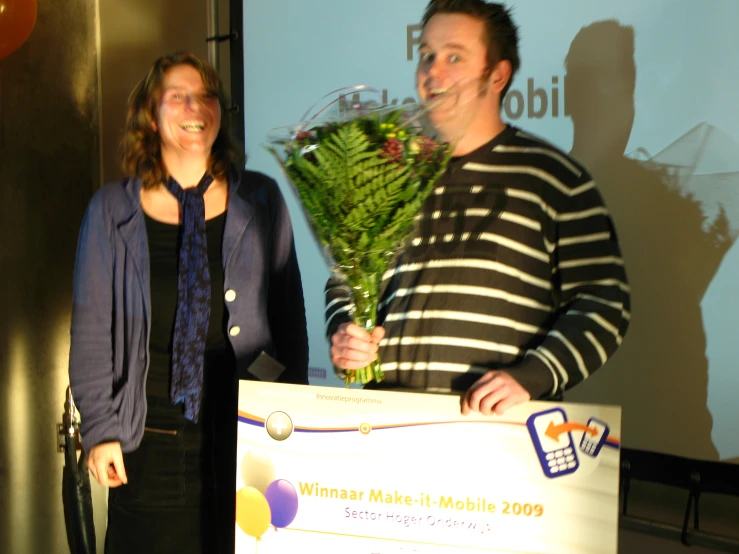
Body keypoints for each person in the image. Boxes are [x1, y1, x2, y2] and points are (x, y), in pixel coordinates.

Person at [326, 0, 630, 416]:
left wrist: (535, 375)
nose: (433, 71)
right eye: (427, 55)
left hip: (496, 434)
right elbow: (345, 282)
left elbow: (604, 302)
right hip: (384, 425)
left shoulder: (555, 179)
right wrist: (345, 333)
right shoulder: (390, 174)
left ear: (498, 74)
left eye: (454, 56)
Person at [68, 51, 308, 553]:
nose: (194, 106)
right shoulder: (111, 210)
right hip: (148, 440)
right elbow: (91, 332)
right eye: (177, 96)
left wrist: (292, 419)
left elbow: (290, 322)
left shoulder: (261, 199)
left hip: (246, 436)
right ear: (151, 115)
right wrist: (99, 430)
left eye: (205, 95)